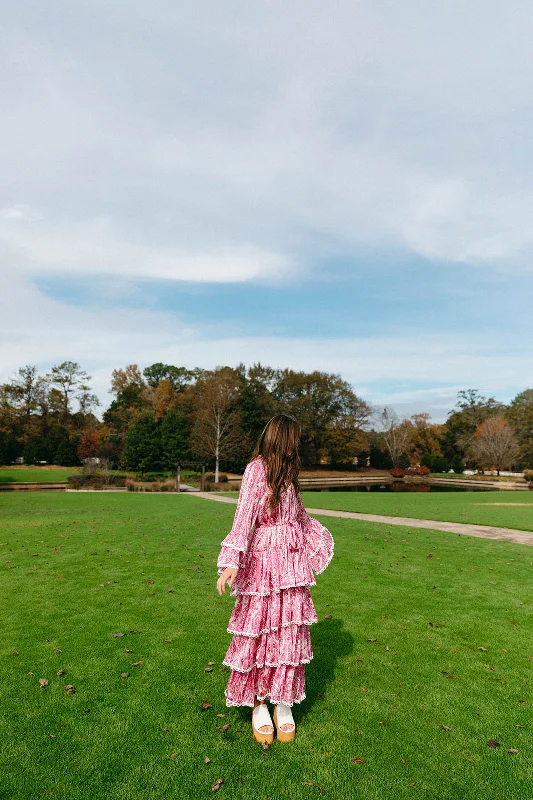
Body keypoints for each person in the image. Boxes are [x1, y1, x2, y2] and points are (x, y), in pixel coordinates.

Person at [216, 413, 334, 744]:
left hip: (292, 564)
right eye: (294, 439)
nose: (298, 445)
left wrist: (312, 540)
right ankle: (258, 705)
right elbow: (243, 518)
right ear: (282, 438)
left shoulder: (290, 474)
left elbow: (297, 515)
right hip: (264, 561)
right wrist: (232, 562)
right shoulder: (256, 470)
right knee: (260, 631)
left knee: (289, 632)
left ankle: (284, 704)